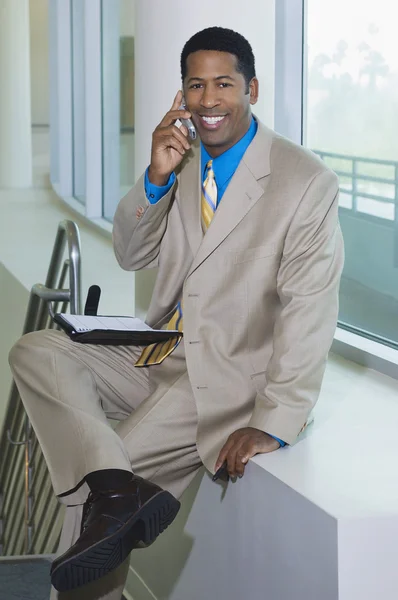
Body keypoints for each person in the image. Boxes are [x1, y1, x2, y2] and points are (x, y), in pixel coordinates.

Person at [9, 26, 344, 600]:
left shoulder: (304, 181)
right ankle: (119, 492)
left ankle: (106, 513)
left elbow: (309, 308)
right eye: (195, 86)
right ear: (182, 95)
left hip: (226, 378)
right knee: (35, 350)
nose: (208, 100)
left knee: (96, 499)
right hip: (162, 353)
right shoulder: (182, 161)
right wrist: (157, 176)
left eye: (223, 84)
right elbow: (130, 253)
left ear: (253, 89)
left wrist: (274, 421)